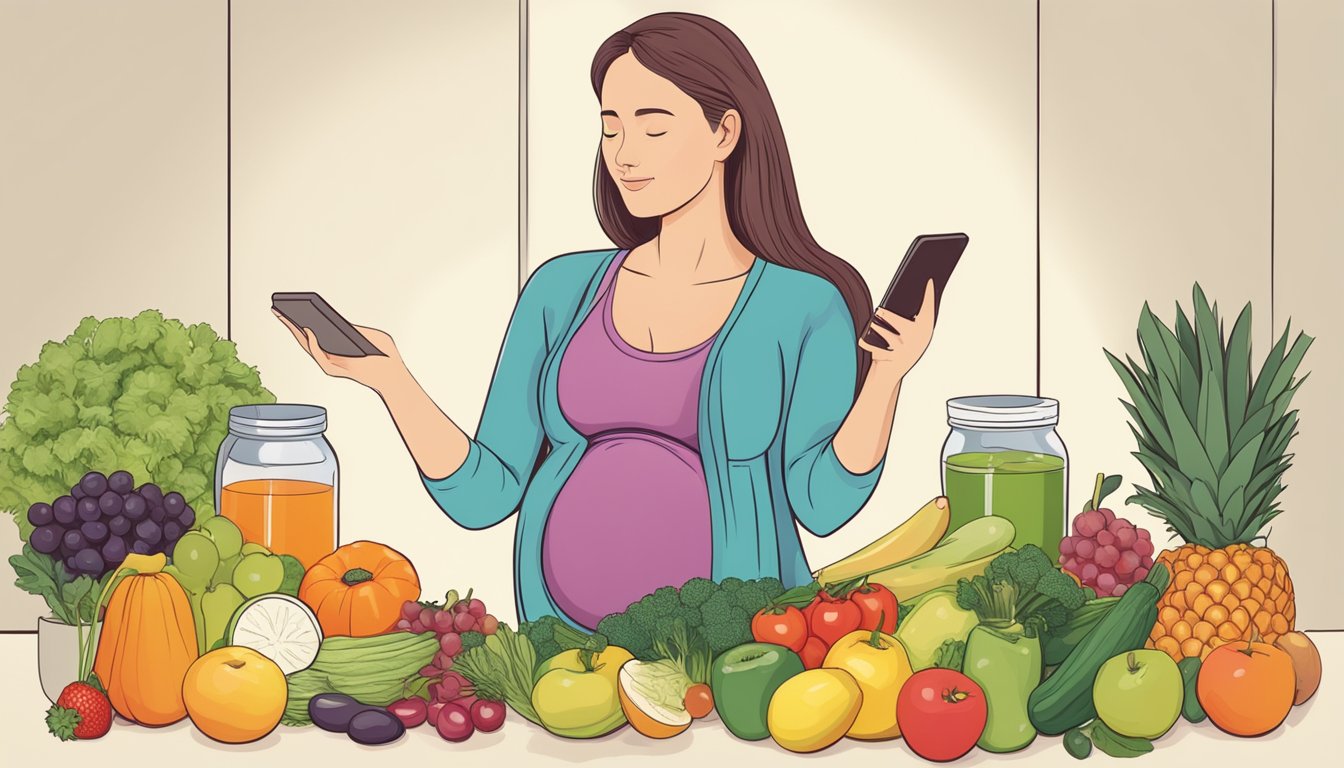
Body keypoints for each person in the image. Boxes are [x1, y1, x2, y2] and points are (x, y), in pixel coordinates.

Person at [276, 12, 941, 631]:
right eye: (610, 125)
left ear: (724, 133)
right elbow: (484, 494)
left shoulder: (803, 306)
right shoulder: (560, 290)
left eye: (653, 127)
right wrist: (393, 381)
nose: (624, 153)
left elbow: (824, 504)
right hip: (560, 653)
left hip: (734, 657)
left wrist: (886, 376)